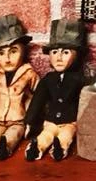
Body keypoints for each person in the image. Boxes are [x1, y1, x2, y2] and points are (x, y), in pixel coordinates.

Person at [0, 14, 39, 161]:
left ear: (23, 51)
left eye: (13, 51)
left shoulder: (29, 74)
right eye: (1, 53)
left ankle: (5, 146)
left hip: (18, 120)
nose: (7, 59)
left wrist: (32, 121)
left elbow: (38, 98)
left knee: (13, 134)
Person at [24, 18, 85, 161]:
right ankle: (36, 148)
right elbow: (37, 100)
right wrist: (29, 121)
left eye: (66, 53)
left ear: (77, 55)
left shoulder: (80, 80)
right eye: (55, 52)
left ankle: (60, 148)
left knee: (66, 136)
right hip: (50, 121)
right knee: (45, 135)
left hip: (70, 121)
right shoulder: (48, 79)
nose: (59, 58)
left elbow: (86, 103)